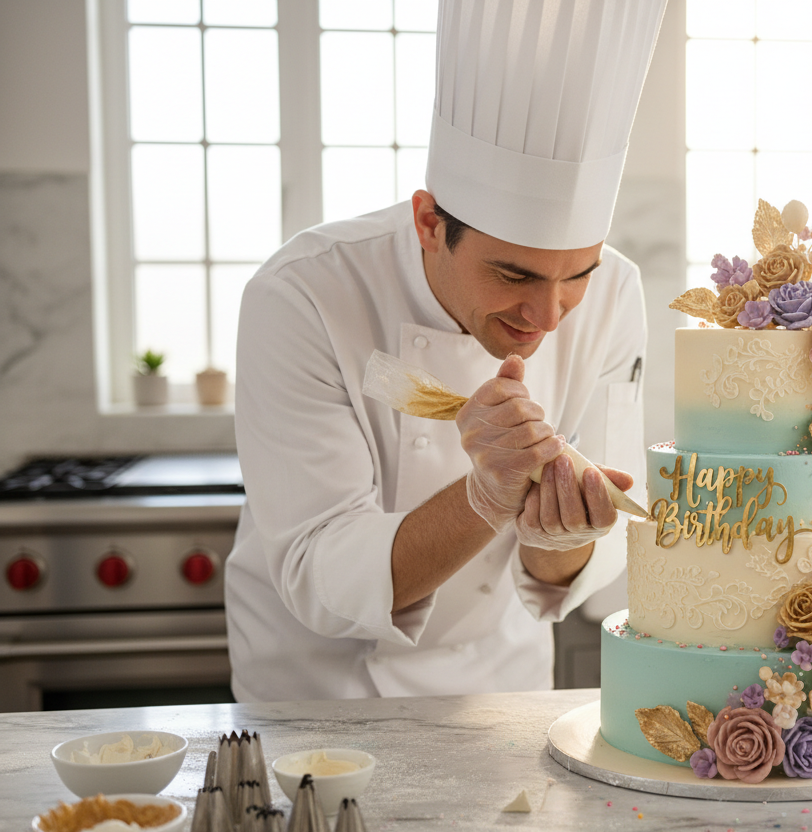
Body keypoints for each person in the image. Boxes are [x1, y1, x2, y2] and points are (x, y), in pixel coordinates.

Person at [224, 0, 666, 701]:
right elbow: (317, 573)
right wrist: (486, 499)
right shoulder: (301, 295)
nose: (547, 315)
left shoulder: (617, 294)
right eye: (513, 275)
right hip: (322, 701)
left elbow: (595, 564)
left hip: (501, 694)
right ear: (430, 223)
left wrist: (560, 537)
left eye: (575, 275)